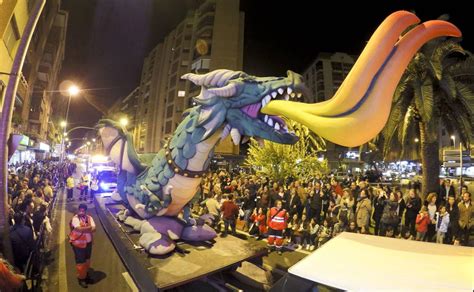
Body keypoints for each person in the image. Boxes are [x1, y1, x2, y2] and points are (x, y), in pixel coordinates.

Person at [69, 203, 96, 288]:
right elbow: (78, 228)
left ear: (85, 211)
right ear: (78, 210)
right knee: (81, 262)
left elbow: (94, 229)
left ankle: (86, 275)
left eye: (83, 210)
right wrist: (89, 228)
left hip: (88, 243)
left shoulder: (89, 218)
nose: (81, 211)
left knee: (87, 260)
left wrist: (85, 229)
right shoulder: (75, 219)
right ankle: (81, 279)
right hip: (78, 244)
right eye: (80, 210)